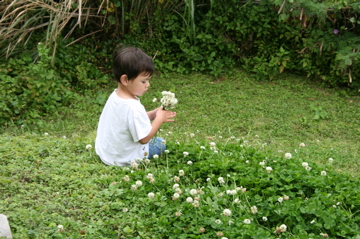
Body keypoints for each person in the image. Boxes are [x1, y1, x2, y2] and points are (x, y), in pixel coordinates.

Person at [95, 47, 176, 166]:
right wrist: (159, 119)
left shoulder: (115, 96)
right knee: (160, 143)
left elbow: (126, 121)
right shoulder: (133, 107)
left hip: (108, 154)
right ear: (125, 80)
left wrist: (152, 114)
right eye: (144, 81)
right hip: (125, 158)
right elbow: (143, 139)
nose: (148, 85)